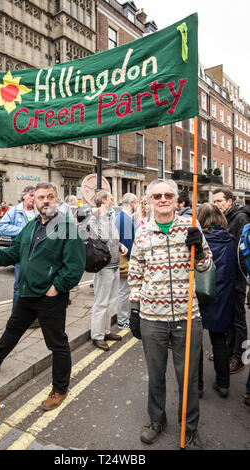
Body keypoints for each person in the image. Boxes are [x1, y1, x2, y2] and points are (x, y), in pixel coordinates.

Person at [0, 182, 85, 412]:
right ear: (34, 201)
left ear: (57, 200)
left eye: (50, 197)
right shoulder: (31, 227)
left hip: (50, 297)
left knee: (57, 344)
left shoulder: (66, 227)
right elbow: (15, 253)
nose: (45, 201)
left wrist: (56, 287)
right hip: (27, 292)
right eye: (41, 197)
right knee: (12, 330)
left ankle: (59, 389)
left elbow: (75, 266)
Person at [128, 179, 212, 449]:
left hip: (187, 316)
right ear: (150, 201)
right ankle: (157, 420)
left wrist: (198, 249)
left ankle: (189, 428)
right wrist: (134, 308)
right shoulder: (142, 232)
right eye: (157, 196)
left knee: (188, 376)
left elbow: (206, 266)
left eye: (167, 195)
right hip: (152, 316)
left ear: (176, 200)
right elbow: (135, 274)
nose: (162, 199)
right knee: (156, 374)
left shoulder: (191, 227)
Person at [197, 203, 237, 398]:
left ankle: (197, 387)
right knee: (219, 340)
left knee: (195, 342)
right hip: (223, 296)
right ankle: (223, 384)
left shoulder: (199, 241)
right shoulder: (231, 241)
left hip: (200, 294)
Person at [213, 188, 250, 374]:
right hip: (227, 275)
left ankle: (240, 357)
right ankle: (227, 352)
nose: (217, 205)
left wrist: (240, 274)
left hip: (237, 275)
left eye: (220, 201)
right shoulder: (225, 217)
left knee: (238, 318)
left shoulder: (241, 218)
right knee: (228, 315)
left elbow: (242, 250)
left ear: (229, 201)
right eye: (215, 202)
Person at [89, 190, 128, 351]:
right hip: (103, 265)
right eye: (111, 199)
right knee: (101, 302)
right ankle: (97, 336)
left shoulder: (109, 216)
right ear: (104, 200)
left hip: (114, 264)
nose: (113, 201)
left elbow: (113, 237)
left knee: (111, 300)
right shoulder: (95, 217)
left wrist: (119, 245)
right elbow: (100, 238)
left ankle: (105, 331)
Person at [0, 186, 36, 314]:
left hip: (37, 252)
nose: (33, 198)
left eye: (35, 195)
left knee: (35, 284)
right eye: (31, 195)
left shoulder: (38, 211)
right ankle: (16, 315)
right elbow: (1, 228)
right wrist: (23, 230)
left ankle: (32, 315)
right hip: (21, 252)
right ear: (24, 195)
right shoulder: (15, 211)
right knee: (19, 285)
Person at [115, 193, 137, 329]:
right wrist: (133, 262)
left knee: (122, 291)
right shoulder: (126, 220)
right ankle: (123, 320)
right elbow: (128, 244)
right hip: (125, 261)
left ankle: (123, 318)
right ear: (132, 203)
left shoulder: (120, 216)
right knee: (124, 291)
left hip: (119, 260)